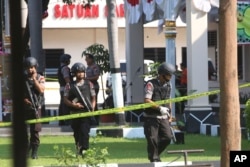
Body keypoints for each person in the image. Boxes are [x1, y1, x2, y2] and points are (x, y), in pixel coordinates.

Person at [143, 62, 175, 162]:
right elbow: (147, 100)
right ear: (162, 74)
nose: (170, 77)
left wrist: (170, 114)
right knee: (152, 139)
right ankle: (154, 159)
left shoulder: (169, 85)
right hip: (151, 117)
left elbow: (169, 100)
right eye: (169, 74)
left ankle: (154, 154)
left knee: (167, 138)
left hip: (164, 117)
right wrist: (159, 108)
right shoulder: (150, 84)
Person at [63, 62, 96, 156]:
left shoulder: (89, 84)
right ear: (74, 73)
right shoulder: (69, 85)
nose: (80, 74)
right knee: (77, 133)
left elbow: (93, 97)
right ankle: (79, 149)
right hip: (74, 113)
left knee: (85, 132)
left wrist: (92, 107)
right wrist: (74, 105)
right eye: (78, 72)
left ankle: (85, 150)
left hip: (86, 113)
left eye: (82, 72)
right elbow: (65, 99)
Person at [23, 57, 45, 159]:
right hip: (25, 108)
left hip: (36, 107)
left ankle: (34, 152)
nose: (30, 70)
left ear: (35, 67)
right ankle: (26, 149)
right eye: (28, 68)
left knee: (35, 132)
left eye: (32, 67)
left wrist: (34, 79)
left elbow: (41, 90)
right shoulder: (22, 78)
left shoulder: (40, 77)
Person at [84, 53, 100, 125]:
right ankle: (90, 119)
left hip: (94, 86)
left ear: (91, 59)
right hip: (88, 87)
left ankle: (96, 120)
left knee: (94, 103)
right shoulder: (88, 67)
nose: (86, 60)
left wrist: (87, 79)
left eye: (87, 58)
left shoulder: (94, 67)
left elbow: (96, 77)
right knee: (89, 103)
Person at [57, 53, 73, 126]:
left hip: (61, 88)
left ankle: (61, 121)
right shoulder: (65, 68)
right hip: (66, 88)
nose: (69, 61)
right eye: (68, 60)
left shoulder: (60, 68)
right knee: (66, 104)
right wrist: (71, 87)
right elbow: (67, 79)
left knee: (62, 104)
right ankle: (67, 120)